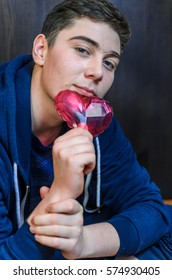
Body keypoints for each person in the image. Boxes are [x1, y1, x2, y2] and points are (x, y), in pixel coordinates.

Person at [0, 0, 172, 260]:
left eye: (109, 63)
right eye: (82, 50)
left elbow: (151, 207)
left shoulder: (94, 118)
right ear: (41, 50)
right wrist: (62, 191)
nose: (97, 73)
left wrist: (84, 242)